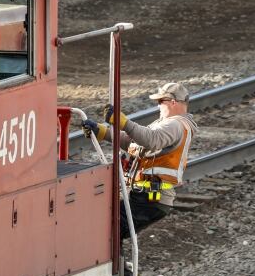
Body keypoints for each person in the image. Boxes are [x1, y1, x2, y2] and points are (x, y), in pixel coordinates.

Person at [83, 82, 199, 239]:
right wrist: (103, 132)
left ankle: (117, 263)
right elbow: (135, 144)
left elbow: (151, 139)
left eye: (160, 101)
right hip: (144, 195)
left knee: (107, 231)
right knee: (109, 231)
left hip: (151, 198)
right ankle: (117, 262)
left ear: (173, 102)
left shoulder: (176, 124)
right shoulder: (165, 124)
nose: (158, 106)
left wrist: (124, 123)